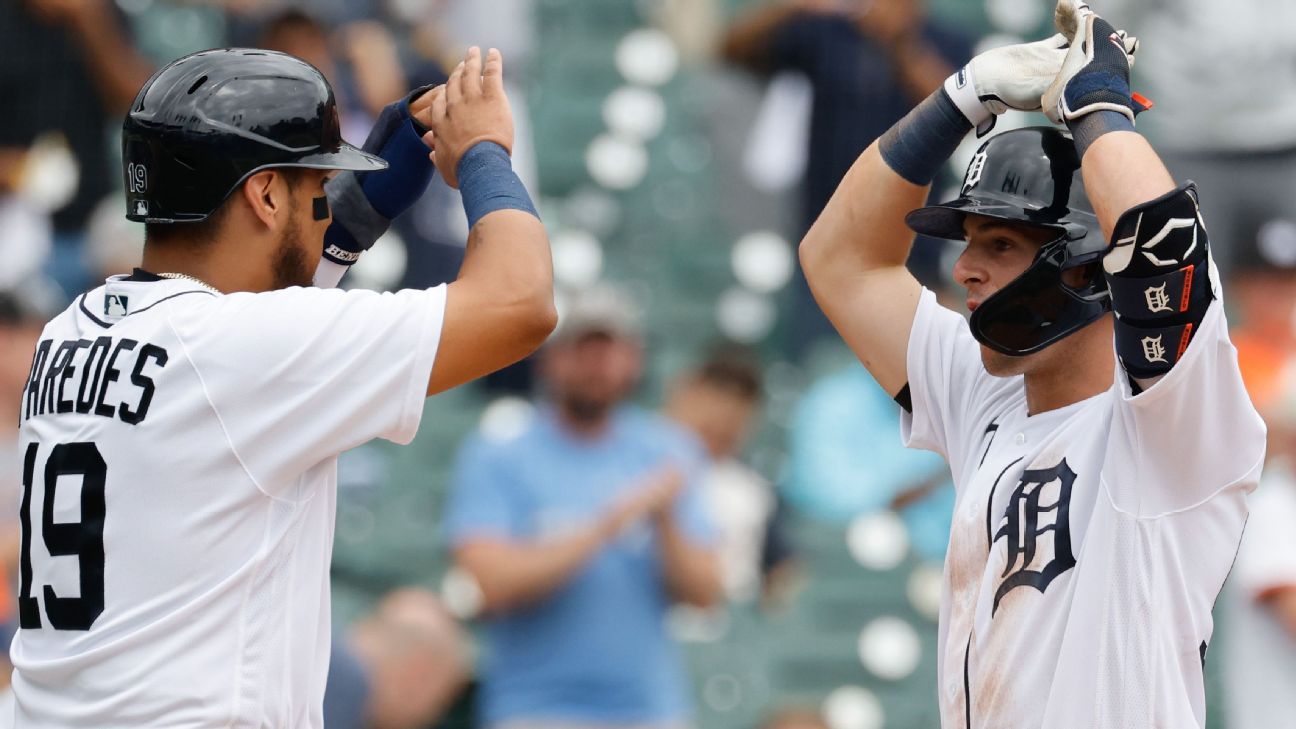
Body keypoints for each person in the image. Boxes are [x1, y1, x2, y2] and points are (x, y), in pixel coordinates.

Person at [11, 45, 555, 728]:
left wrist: (401, 154)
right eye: (314, 190)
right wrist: (485, 156)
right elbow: (522, 303)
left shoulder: (72, 329)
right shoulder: (240, 348)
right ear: (264, 195)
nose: (327, 209)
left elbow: (291, 283)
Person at [797, 0, 1264, 725]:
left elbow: (1162, 244)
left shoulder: (1169, 422)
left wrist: (1102, 108)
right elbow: (840, 260)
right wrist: (962, 98)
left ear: (1083, 265)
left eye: (1000, 245)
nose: (964, 270)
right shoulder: (988, 395)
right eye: (970, 242)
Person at [444, 284, 722, 729]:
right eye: (583, 351)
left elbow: (706, 594)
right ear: (551, 358)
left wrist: (666, 519)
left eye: (610, 351)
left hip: (650, 709)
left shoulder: (668, 450)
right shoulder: (501, 451)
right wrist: (606, 524)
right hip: (534, 708)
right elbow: (491, 583)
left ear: (634, 360)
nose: (598, 367)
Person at [722, 0, 973, 354]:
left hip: (913, 248)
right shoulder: (829, 33)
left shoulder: (945, 40)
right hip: (828, 237)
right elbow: (734, 50)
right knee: (817, 359)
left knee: (908, 365)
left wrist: (900, 42)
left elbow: (958, 109)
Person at [663, 352, 795, 604]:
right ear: (684, 392)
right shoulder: (630, 459)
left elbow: (785, 566)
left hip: (729, 621)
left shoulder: (752, 490)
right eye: (717, 395)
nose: (725, 417)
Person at [323, 588, 471, 729]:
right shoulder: (346, 694)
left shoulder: (320, 642)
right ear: (418, 675)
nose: (430, 717)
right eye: (439, 702)